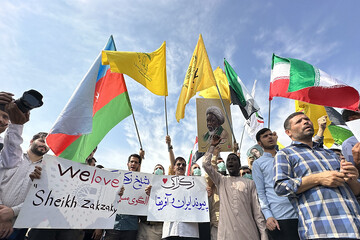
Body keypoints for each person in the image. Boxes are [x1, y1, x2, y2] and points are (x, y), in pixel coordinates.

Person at [274, 112, 360, 240]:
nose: (306, 122)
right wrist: (318, 178)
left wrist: (353, 178)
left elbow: (356, 191)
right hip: (322, 230)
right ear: (288, 132)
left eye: (307, 119)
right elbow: (281, 187)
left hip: (355, 225)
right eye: (299, 121)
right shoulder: (285, 154)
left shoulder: (332, 154)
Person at [203, 135, 268, 240]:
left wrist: (263, 234)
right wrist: (212, 146)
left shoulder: (250, 183)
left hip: (248, 233)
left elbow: (257, 211)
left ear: (239, 164)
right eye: (228, 160)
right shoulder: (221, 180)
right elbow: (206, 164)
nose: (230, 162)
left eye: (233, 159)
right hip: (226, 234)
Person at [252, 128, 299, 240]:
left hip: (299, 212)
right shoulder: (258, 164)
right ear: (259, 143)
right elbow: (261, 192)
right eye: (265, 136)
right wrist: (268, 216)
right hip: (279, 216)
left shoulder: (287, 156)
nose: (269, 137)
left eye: (271, 134)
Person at [104, 153, 143, 240]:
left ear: (139, 165)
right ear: (127, 163)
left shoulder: (141, 184)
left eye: (136, 162)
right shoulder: (117, 179)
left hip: (131, 228)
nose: (133, 164)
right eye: (131, 161)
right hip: (114, 226)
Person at [137, 164, 165, 240]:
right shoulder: (145, 184)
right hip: (143, 225)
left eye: (160, 168)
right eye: (156, 168)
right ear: (153, 172)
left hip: (156, 227)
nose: (158, 170)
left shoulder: (167, 187)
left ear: (164, 173)